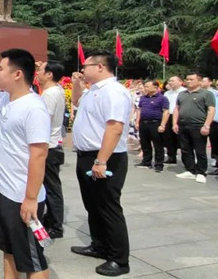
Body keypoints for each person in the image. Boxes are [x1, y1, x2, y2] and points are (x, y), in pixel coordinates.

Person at [0, 49, 50, 279]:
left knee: (33, 260)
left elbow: (39, 155)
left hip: (21, 196)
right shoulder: (3, 99)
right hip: (1, 190)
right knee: (8, 249)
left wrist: (30, 199)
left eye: (1, 69)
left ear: (18, 74)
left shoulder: (34, 107)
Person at [70, 51, 131, 277]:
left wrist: (101, 160)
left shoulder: (114, 92)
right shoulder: (94, 90)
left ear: (100, 67)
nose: (82, 69)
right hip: (87, 156)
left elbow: (115, 128)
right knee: (93, 205)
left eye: (86, 66)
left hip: (105, 157)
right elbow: (75, 101)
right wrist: (77, 84)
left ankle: (119, 259)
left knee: (108, 206)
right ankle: (99, 245)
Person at [36, 60, 66, 239]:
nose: (37, 73)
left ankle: (56, 225)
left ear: (49, 74)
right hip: (52, 144)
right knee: (50, 185)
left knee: (51, 187)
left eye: (40, 70)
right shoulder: (56, 90)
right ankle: (52, 218)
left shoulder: (50, 93)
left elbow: (43, 120)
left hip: (49, 146)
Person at [173, 72, 216, 183]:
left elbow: (211, 110)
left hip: (198, 126)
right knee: (185, 149)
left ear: (199, 81)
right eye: (187, 79)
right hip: (183, 125)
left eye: (191, 79)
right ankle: (190, 170)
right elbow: (177, 108)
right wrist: (174, 123)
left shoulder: (206, 94)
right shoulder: (182, 94)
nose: (188, 81)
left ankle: (201, 172)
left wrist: (206, 125)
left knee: (200, 150)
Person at [135, 80, 169, 172]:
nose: (145, 88)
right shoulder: (143, 98)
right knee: (145, 144)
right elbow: (139, 110)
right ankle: (146, 162)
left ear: (155, 87)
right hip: (143, 123)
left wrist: (163, 125)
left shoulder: (162, 98)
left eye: (147, 86)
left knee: (158, 145)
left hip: (155, 123)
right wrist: (137, 122)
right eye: (145, 86)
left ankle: (159, 164)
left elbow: (166, 112)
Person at [163, 76, 186, 164]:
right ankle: (171, 157)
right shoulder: (167, 93)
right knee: (169, 138)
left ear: (180, 82)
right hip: (168, 115)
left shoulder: (184, 92)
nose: (170, 82)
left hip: (180, 116)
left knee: (182, 139)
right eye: (169, 81)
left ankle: (186, 159)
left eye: (173, 81)